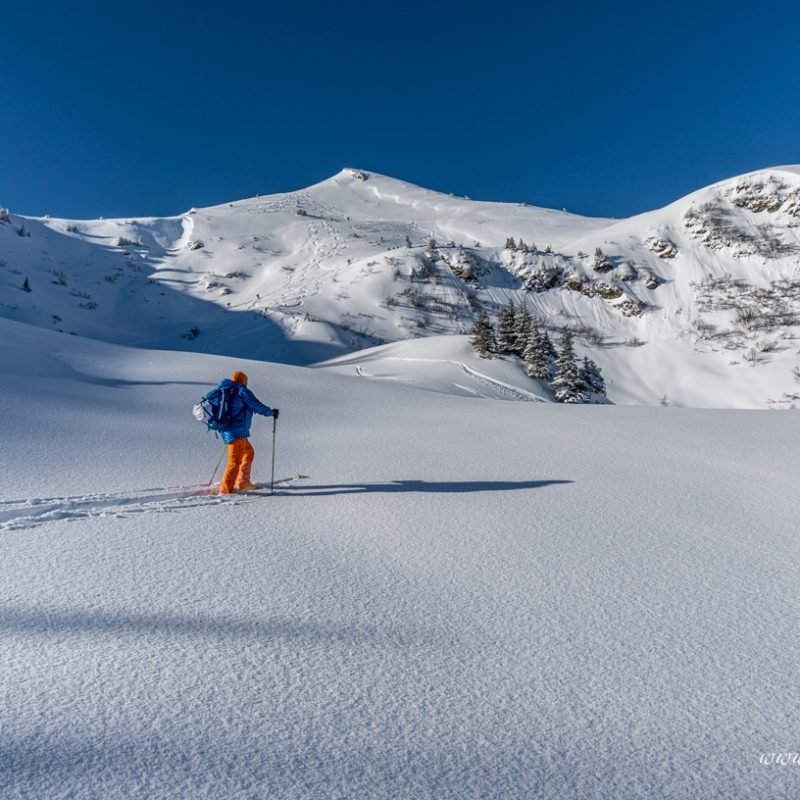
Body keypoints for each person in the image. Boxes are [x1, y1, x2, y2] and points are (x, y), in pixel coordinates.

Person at [215, 370, 278, 494]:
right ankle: (226, 490)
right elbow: (256, 405)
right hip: (237, 431)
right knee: (234, 461)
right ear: (243, 380)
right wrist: (271, 412)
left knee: (248, 453)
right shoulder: (242, 391)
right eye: (246, 381)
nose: (247, 383)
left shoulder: (228, 391)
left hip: (230, 430)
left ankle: (243, 482)